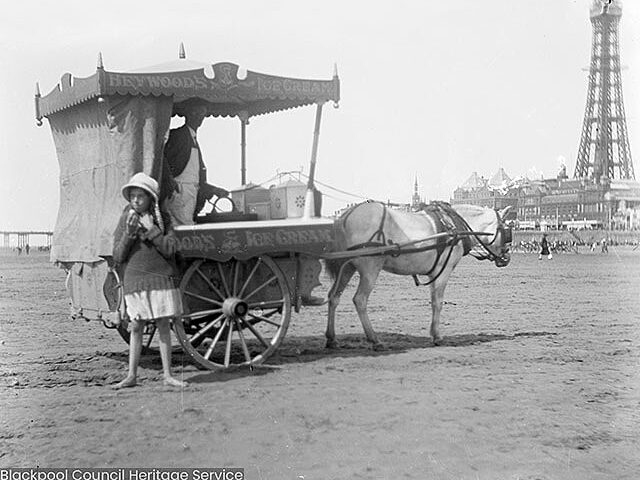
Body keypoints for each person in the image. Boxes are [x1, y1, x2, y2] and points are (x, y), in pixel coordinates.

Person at [112, 172, 187, 389]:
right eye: (132, 196)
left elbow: (170, 249)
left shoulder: (163, 219)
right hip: (135, 282)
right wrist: (129, 233)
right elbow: (118, 255)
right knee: (136, 327)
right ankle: (131, 376)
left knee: (163, 325)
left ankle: (168, 375)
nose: (135, 200)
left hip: (161, 279)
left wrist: (151, 230)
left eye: (140, 196)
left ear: (150, 199)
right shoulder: (125, 219)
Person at [163, 100, 228, 225]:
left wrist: (213, 190)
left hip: (191, 193)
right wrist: (170, 182)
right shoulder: (178, 135)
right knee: (181, 230)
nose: (199, 117)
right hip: (179, 192)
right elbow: (163, 158)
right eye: (196, 113)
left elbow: (197, 177)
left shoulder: (194, 139)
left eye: (202, 114)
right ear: (187, 114)